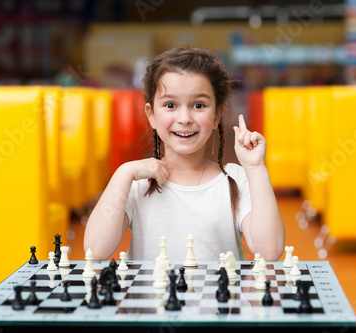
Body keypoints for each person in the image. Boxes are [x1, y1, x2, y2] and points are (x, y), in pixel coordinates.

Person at [84, 47, 284, 262]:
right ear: (151, 115)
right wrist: (123, 173)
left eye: (199, 105)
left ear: (218, 115)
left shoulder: (236, 179)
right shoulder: (136, 182)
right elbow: (95, 250)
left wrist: (255, 169)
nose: (185, 118)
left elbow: (270, 250)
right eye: (170, 105)